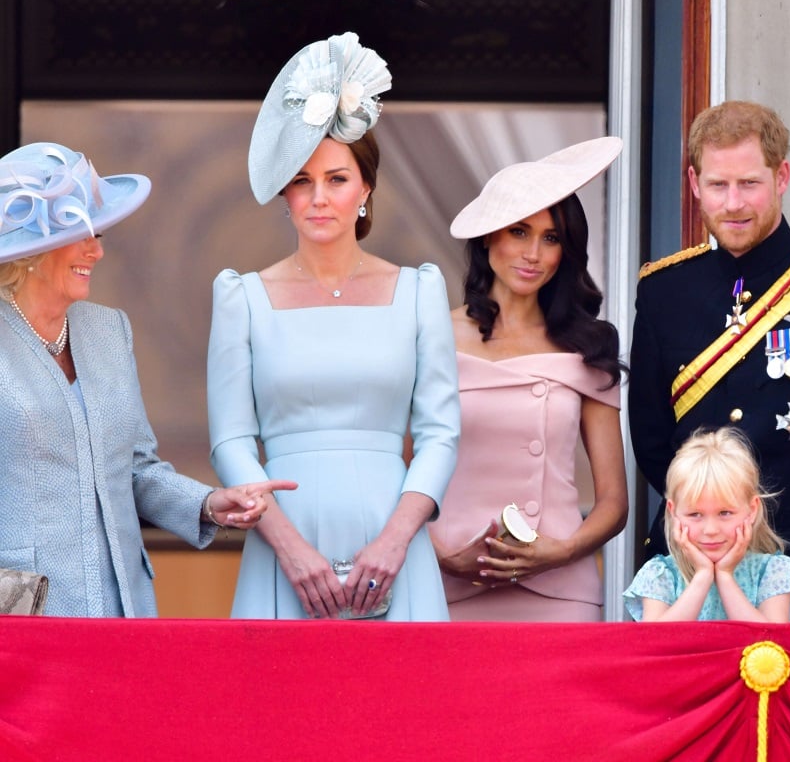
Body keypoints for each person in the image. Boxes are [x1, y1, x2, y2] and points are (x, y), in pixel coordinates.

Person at [207, 32, 460, 620]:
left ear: (366, 188)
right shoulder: (241, 297)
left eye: (337, 179)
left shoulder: (419, 292)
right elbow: (230, 442)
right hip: (282, 541)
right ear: (284, 195)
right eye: (301, 180)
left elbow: (440, 434)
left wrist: (396, 540)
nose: (319, 197)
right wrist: (290, 549)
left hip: (395, 541)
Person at [0, 141, 285, 618]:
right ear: (33, 249)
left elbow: (136, 469)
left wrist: (209, 503)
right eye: (83, 233)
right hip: (24, 613)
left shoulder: (110, 331)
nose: (98, 250)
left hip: (122, 607)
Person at [628, 100, 790, 619]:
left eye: (749, 183)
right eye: (718, 185)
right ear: (695, 184)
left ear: (782, 176)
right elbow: (652, 439)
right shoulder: (664, 290)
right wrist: (711, 522)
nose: (733, 203)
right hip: (693, 556)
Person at [427, 138, 628, 621]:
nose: (533, 253)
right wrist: (440, 556)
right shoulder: (429, 333)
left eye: (551, 238)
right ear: (488, 237)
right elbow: (397, 473)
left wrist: (562, 551)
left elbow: (614, 499)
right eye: (519, 231)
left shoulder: (588, 344)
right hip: (446, 584)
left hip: (560, 591)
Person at [623, 427, 790, 622]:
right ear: (673, 513)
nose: (711, 530)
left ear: (752, 510)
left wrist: (725, 576)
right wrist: (703, 576)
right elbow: (657, 642)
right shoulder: (660, 576)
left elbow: (770, 640)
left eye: (725, 513)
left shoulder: (774, 572)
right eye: (695, 514)